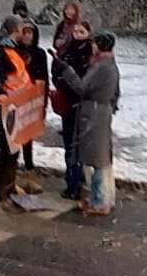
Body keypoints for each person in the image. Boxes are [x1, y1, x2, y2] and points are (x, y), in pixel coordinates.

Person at [50, 32, 122, 216]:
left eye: (95, 44)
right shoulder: (109, 65)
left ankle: (99, 201)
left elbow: (82, 87)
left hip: (94, 114)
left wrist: (66, 70)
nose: (92, 46)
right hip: (101, 112)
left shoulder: (102, 67)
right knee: (98, 157)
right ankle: (101, 197)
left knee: (96, 158)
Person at [0, 15, 34, 212]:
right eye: (22, 28)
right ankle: (0, 196)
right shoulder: (1, 52)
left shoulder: (12, 51)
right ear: (16, 30)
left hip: (15, 106)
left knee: (13, 149)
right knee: (5, 150)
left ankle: (10, 186)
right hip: (4, 107)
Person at [52, 20, 94, 200]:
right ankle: (72, 181)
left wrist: (69, 78)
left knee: (79, 145)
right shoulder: (66, 50)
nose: (77, 34)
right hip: (67, 103)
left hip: (83, 105)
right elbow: (56, 71)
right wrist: (60, 80)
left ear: (88, 33)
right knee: (70, 144)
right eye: (75, 31)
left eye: (82, 31)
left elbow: (86, 83)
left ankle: (78, 180)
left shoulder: (90, 53)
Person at [15, 19, 49, 172]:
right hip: (17, 96)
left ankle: (29, 162)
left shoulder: (39, 53)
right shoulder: (15, 51)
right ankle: (13, 161)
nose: (27, 36)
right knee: (14, 131)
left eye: (29, 33)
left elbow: (44, 78)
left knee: (28, 132)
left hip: (32, 96)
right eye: (24, 32)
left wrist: (43, 101)